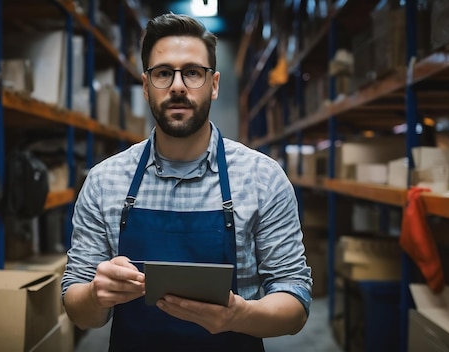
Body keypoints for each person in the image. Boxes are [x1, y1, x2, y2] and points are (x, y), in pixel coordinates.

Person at [62, 13, 312, 352]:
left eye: (193, 72)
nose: (178, 85)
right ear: (146, 85)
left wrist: (239, 316)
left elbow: (295, 301)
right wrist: (95, 294)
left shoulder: (263, 179)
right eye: (164, 73)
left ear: (214, 84)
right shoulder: (104, 181)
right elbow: (78, 307)